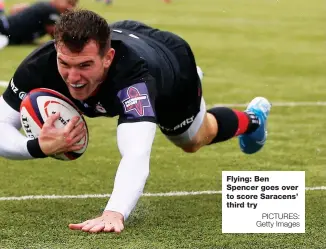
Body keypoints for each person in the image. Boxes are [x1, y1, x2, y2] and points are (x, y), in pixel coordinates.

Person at [0, 9, 271, 233]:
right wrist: (37, 147)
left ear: (108, 58)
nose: (73, 77)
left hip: (170, 66)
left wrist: (114, 211)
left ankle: (252, 120)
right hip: (126, 33)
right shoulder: (40, 65)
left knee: (192, 140)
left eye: (84, 65)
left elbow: (136, 153)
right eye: (65, 64)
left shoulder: (134, 80)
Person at [0, 0, 77, 46]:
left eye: (73, 5)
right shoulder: (50, 10)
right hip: (3, 31)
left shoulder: (45, 7)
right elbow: (56, 34)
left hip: (7, 33)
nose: (70, 8)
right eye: (68, 3)